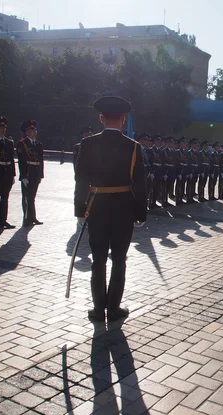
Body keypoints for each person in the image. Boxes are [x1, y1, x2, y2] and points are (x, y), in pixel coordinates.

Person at [74, 96, 146, 322]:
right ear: (123, 119)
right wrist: (141, 213)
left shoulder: (87, 144)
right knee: (119, 259)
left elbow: (81, 180)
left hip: (96, 208)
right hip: (124, 209)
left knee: (98, 259)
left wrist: (79, 210)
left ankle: (98, 309)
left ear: (101, 118)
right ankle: (113, 308)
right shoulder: (133, 147)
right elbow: (141, 183)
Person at [16, 120, 45, 227]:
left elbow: (41, 161)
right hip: (28, 173)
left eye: (35, 129)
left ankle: (33, 217)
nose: (34, 131)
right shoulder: (22, 144)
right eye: (31, 130)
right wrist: (23, 175)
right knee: (27, 197)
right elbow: (21, 161)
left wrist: (41, 174)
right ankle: (27, 218)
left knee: (32, 197)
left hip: (36, 173)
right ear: (26, 132)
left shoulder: (38, 144)